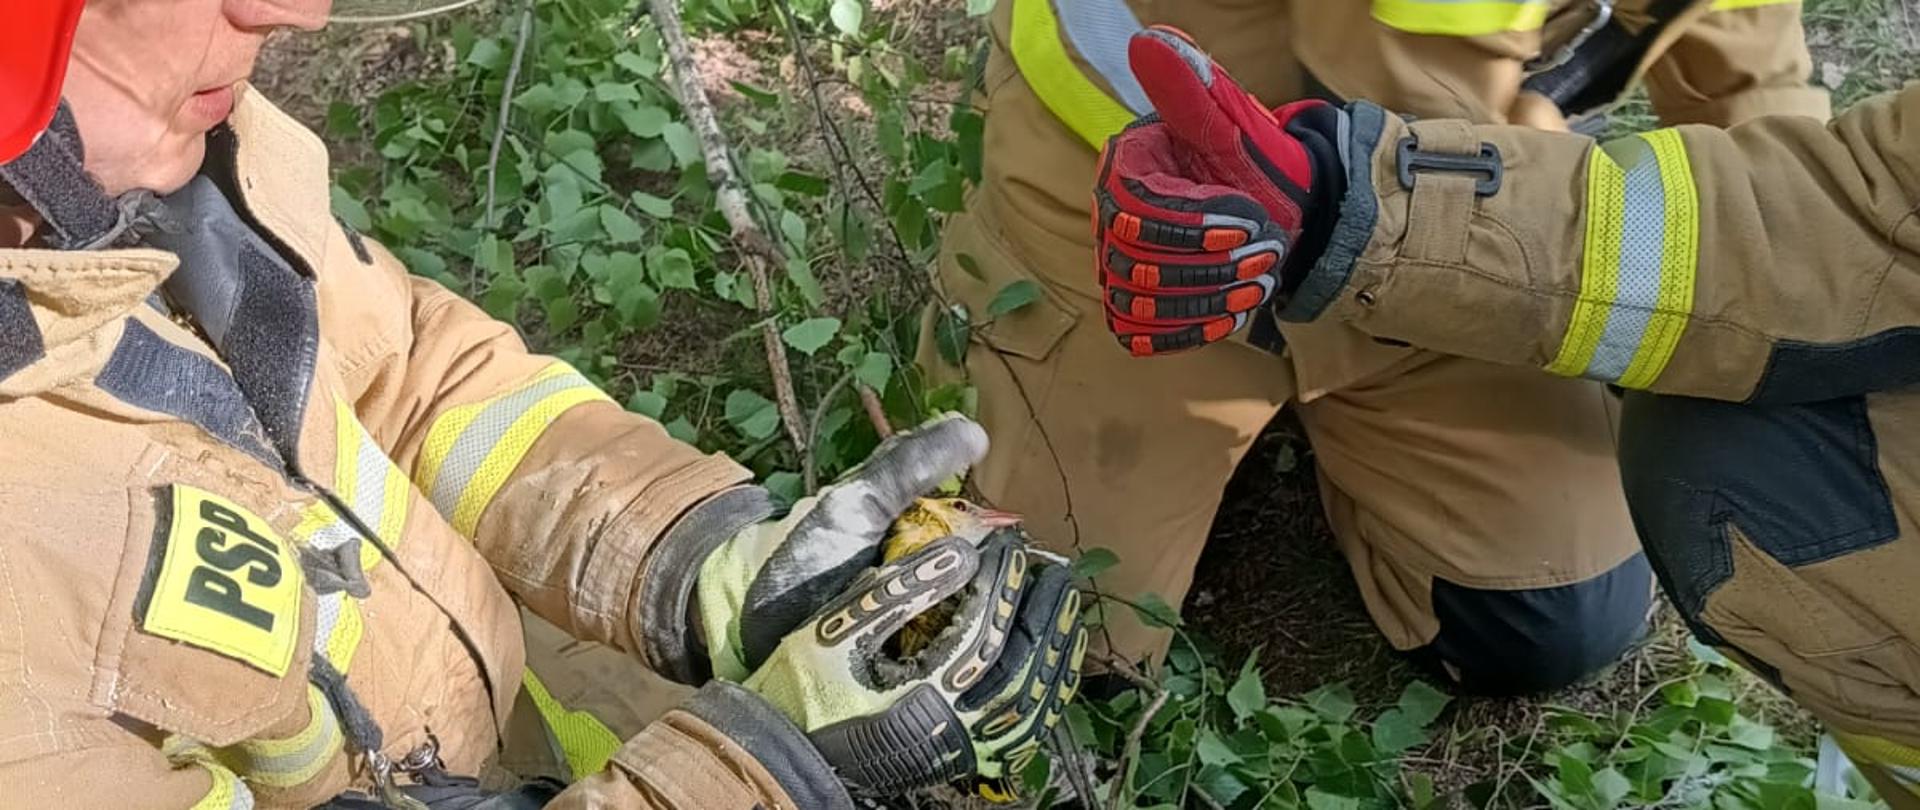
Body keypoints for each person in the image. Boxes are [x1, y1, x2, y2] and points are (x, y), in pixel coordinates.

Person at [0, 2, 1087, 808]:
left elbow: (413, 375)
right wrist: (760, 772)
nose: (294, 12)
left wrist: (699, 568)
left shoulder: (161, 166)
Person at [1092, 25, 1920, 805]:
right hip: (1146, 222)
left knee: (1543, 614)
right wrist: (1348, 202)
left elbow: (1759, 99)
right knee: (1084, 651)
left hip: (1433, 274)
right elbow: (1847, 213)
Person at [919, 0, 1832, 693]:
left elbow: (1746, 76)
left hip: (1440, 212)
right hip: (1139, 208)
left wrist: (1787, 303)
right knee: (1033, 647)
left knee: (1545, 615)